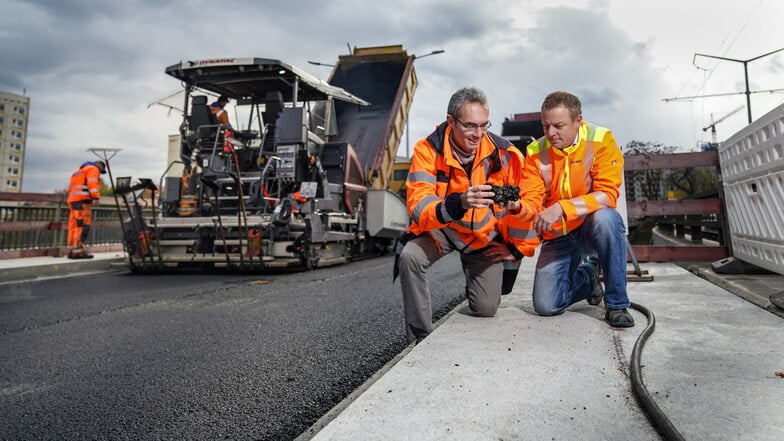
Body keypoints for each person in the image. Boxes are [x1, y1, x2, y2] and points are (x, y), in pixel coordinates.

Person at [395, 86, 539, 344]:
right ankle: (421, 338)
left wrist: (515, 251)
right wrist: (457, 202)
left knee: (486, 308)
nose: (479, 134)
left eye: (484, 125)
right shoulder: (427, 151)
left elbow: (530, 204)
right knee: (410, 257)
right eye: (471, 126)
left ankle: (476, 280)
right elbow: (418, 205)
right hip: (443, 230)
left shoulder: (506, 155)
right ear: (451, 121)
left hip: (482, 238)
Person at [523, 91, 634, 327]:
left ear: (578, 121)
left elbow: (608, 195)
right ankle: (589, 278)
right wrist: (518, 207)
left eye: (558, 126)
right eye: (545, 126)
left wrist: (563, 208)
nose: (551, 133)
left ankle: (617, 304)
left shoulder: (601, 140)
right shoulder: (535, 151)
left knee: (607, 219)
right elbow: (532, 199)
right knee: (546, 305)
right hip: (558, 234)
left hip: (591, 228)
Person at [66, 160, 106, 259]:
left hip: (73, 201)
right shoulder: (93, 169)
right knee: (83, 226)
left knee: (74, 226)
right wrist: (95, 197)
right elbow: (92, 184)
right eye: (101, 171)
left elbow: (71, 187)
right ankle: (78, 252)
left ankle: (72, 250)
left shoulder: (77, 171)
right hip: (83, 202)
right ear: (99, 166)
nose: (100, 173)